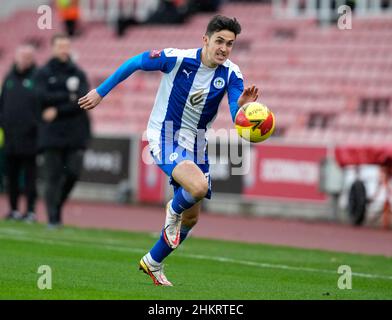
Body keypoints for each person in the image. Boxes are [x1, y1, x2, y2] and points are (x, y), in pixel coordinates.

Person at [79, 15, 259, 286]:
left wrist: (244, 109)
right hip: (165, 136)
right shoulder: (177, 59)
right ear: (205, 39)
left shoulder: (232, 74)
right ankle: (172, 210)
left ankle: (153, 261)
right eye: (219, 41)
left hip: (197, 144)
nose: (224, 48)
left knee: (192, 218)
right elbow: (136, 61)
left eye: (230, 44)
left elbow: (236, 114)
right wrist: (101, 91)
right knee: (196, 188)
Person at [35, 34, 91, 228]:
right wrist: (69, 96)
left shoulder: (78, 73)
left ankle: (57, 205)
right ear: (52, 48)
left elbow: (83, 100)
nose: (63, 49)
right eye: (60, 46)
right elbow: (41, 97)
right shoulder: (43, 72)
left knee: (73, 172)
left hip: (75, 132)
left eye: (66, 45)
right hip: (51, 134)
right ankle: (52, 217)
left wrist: (58, 108)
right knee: (52, 175)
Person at [0, 44, 39, 222]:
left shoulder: (38, 77)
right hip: (10, 137)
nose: (25, 60)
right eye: (22, 56)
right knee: (12, 176)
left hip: (31, 138)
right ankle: (14, 209)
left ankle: (30, 211)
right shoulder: (9, 77)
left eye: (28, 56)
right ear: (16, 57)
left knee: (30, 177)